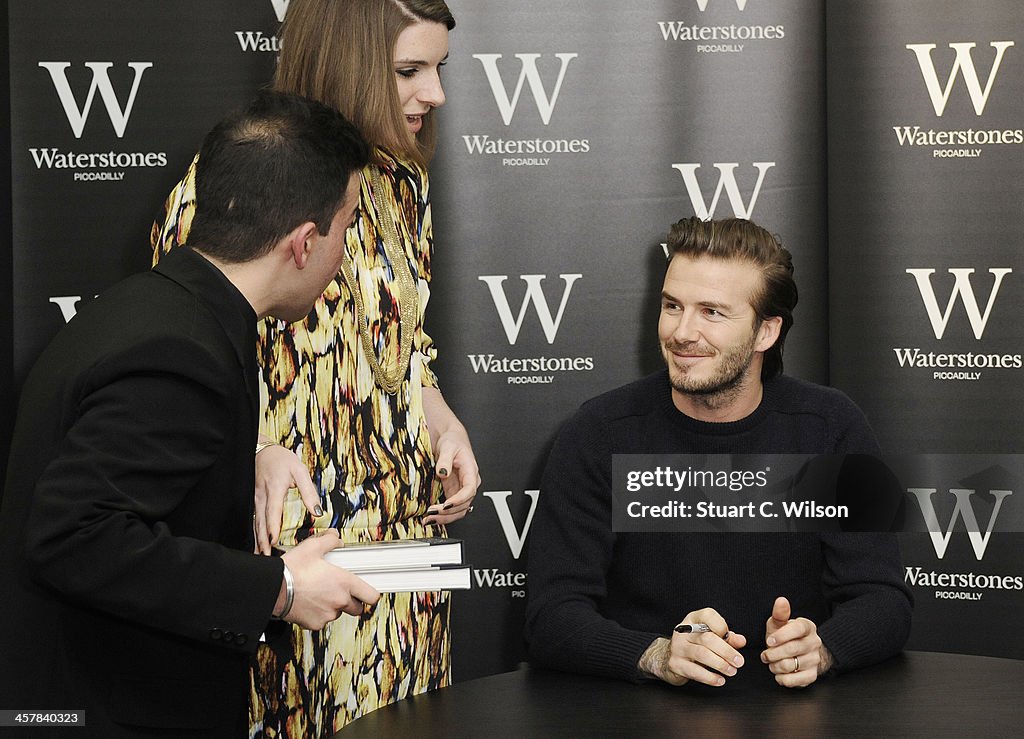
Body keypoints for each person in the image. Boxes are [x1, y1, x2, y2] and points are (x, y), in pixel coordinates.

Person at [0, 90, 379, 737]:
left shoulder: (162, 310)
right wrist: (280, 589)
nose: (343, 254)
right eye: (345, 228)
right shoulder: (182, 347)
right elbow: (74, 535)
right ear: (304, 242)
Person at [151, 0, 479, 733]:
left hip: (403, 542)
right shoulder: (237, 180)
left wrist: (439, 415)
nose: (436, 94)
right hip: (300, 551)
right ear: (347, 60)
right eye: (409, 70)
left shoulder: (401, 183)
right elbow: (182, 349)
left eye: (438, 68)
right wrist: (259, 447)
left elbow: (404, 341)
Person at [525, 216, 912, 690]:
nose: (682, 332)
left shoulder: (828, 428)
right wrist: (658, 655)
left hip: (796, 717)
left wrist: (823, 648)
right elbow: (552, 615)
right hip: (640, 719)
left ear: (766, 333)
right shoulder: (601, 433)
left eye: (712, 312)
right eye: (672, 306)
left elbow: (883, 600)